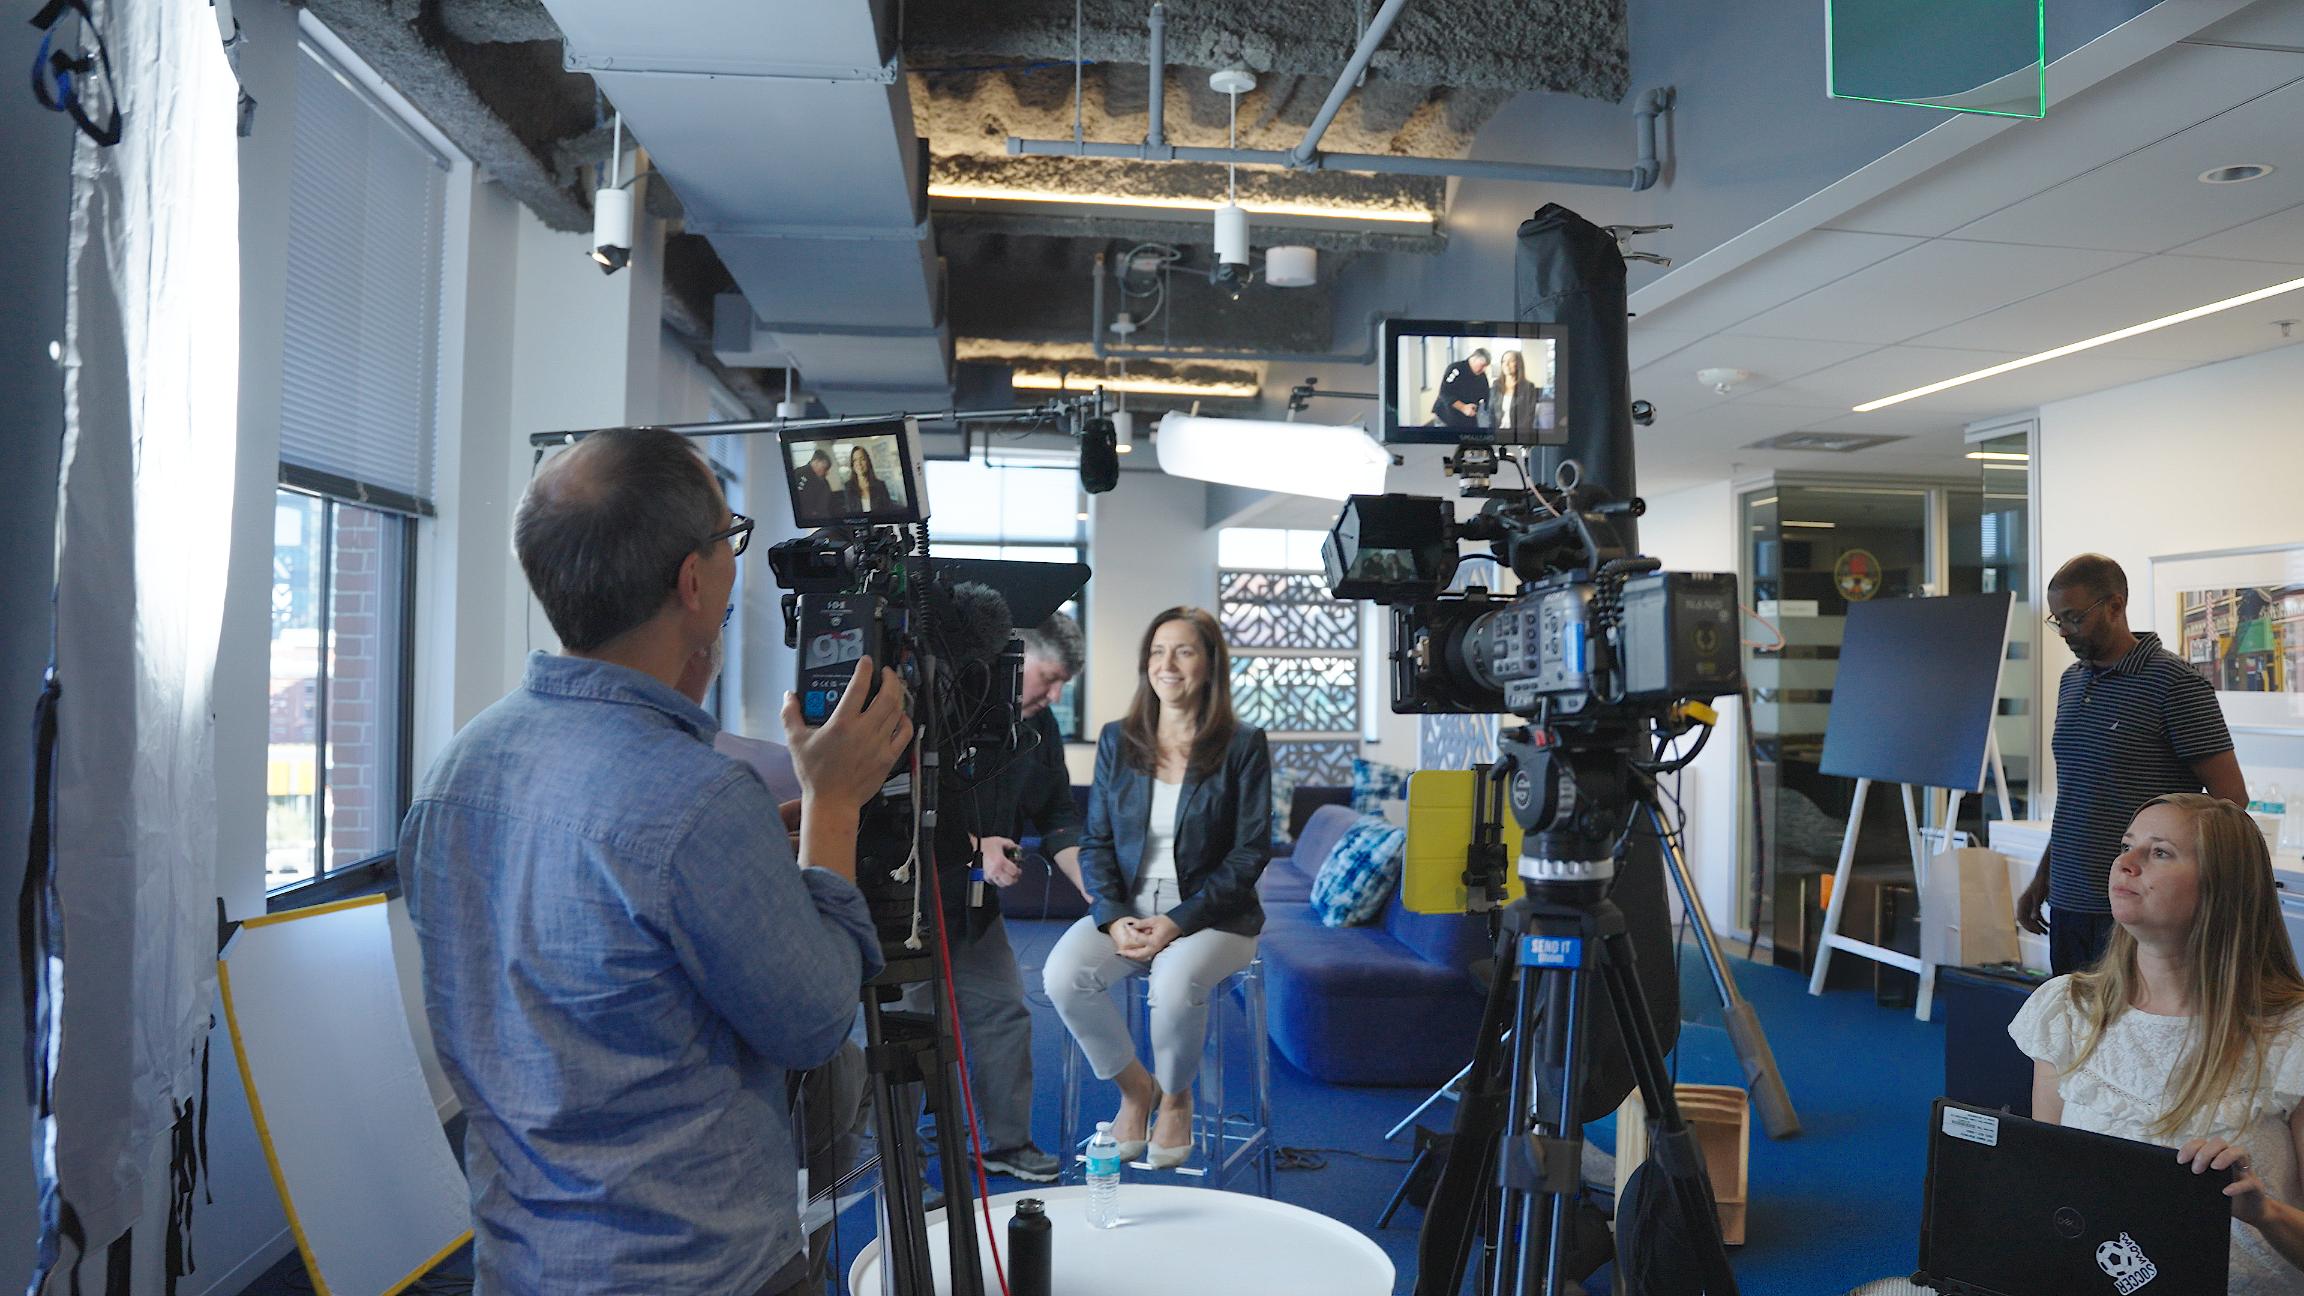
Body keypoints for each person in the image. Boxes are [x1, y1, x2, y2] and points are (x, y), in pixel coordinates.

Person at [400, 427, 913, 1296]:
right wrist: (833, 807)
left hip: (519, 1261)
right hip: (698, 1268)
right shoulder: (698, 802)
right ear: (692, 579)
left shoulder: (459, 770)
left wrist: (750, 849)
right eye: (729, 539)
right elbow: (818, 1019)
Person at [2010, 794, 2304, 1290]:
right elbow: (2056, 1198)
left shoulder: (2290, 1032)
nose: (2125, 863)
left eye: (2160, 852)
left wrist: (2263, 1212)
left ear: (2221, 888)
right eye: (2127, 846)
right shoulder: (2068, 1010)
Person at [1043, 607, 1271, 1170]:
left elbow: (1250, 854)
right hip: (1131, 905)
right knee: (1064, 975)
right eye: (1157, 652)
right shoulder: (1119, 740)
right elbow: (1095, 841)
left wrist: (1176, 922)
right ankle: (1134, 1089)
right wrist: (1115, 915)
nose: (1167, 665)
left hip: (1217, 916)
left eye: (1184, 651)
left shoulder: (1242, 744)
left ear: (1210, 664)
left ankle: (1176, 1097)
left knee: (1172, 983)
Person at [903, 611, 1090, 1183]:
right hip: (907, 902)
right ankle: (902, 1168)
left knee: (1004, 1012)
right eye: (1049, 678)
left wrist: (1095, 889)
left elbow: (1058, 813)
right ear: (1015, 658)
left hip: (975, 909)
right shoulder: (939, 706)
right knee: (909, 1034)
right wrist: (973, 845)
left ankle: (1004, 1144)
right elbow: (897, 806)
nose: (1055, 694)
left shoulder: (1039, 726)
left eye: (1065, 686)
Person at [2018, 554, 2247, 973]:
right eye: (2058, 621)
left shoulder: (2175, 684)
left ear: (2115, 606)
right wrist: (2044, 876)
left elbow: (2230, 801)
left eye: (2074, 618)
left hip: (2141, 905)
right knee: (2072, 1032)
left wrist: (2196, 893)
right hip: (2070, 899)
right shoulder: (2072, 681)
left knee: (2134, 1033)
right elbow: (2080, 793)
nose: (2065, 632)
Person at [1430, 348, 1490, 430]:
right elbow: (1444, 392)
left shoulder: (1481, 376)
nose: (1484, 369)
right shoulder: (1456, 369)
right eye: (1482, 365)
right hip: (1446, 417)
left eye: (1486, 366)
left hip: (1467, 419)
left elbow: (1486, 394)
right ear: (1474, 359)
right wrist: (1463, 407)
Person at [1489, 349, 1537, 438]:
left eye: (1511, 361)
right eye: (1503, 361)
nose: (1506, 364)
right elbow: (1491, 411)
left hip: (1519, 435)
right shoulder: (1496, 384)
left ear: (1518, 364)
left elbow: (1530, 415)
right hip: (1497, 434)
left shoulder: (1528, 387)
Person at [840, 444, 892, 515]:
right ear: (852, 464)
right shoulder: (848, 487)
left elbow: (888, 512)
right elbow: (849, 514)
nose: (859, 463)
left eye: (862, 459)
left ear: (868, 462)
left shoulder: (880, 485)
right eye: (855, 460)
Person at [792, 447, 835, 525]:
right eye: (825, 468)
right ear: (816, 462)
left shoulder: (822, 481)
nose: (826, 472)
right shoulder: (800, 474)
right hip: (809, 518)